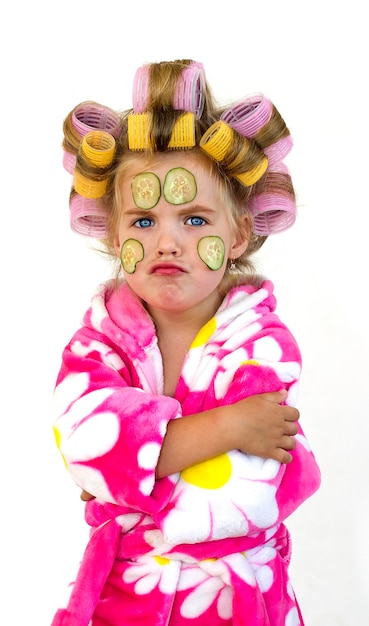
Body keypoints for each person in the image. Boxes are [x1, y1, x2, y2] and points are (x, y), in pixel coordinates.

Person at [51, 59, 321, 626]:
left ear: (239, 232)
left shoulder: (262, 341)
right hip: (125, 595)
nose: (168, 241)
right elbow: (84, 445)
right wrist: (228, 426)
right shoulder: (98, 343)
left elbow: (248, 486)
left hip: (236, 597)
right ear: (115, 233)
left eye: (195, 219)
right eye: (143, 223)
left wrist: (127, 477)